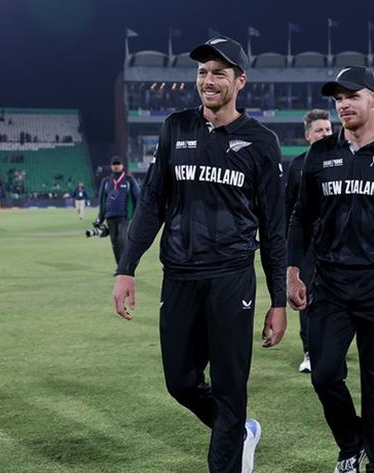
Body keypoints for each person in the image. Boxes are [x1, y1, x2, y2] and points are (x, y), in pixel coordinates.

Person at [112, 36, 288, 473]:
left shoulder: (261, 142)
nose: (208, 81)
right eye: (202, 72)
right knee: (180, 382)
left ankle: (227, 454)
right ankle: (239, 431)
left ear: (240, 81)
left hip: (231, 277)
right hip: (180, 275)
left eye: (219, 74)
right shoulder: (175, 127)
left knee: (230, 388)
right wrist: (126, 267)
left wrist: (278, 300)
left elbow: (274, 227)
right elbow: (152, 202)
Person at [287, 65, 374, 473]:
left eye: (352, 96)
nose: (344, 104)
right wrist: (293, 271)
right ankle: (352, 442)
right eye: (338, 98)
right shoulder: (320, 153)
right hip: (330, 282)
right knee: (324, 375)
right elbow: (300, 218)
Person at [285, 108, 333, 373]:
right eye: (319, 130)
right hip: (308, 245)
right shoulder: (297, 165)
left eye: (328, 129)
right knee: (306, 297)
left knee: (337, 298)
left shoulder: (346, 159)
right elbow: (289, 209)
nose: (325, 134)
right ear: (308, 136)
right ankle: (309, 351)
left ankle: (334, 348)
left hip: (338, 244)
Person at [97, 156, 140, 265]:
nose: (116, 166)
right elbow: (102, 201)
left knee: (122, 239)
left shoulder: (129, 180)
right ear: (111, 166)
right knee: (114, 243)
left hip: (124, 216)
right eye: (114, 164)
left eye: (118, 164)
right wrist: (100, 218)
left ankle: (126, 263)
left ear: (122, 166)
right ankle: (120, 266)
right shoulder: (106, 181)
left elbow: (138, 198)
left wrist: (137, 215)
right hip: (110, 217)